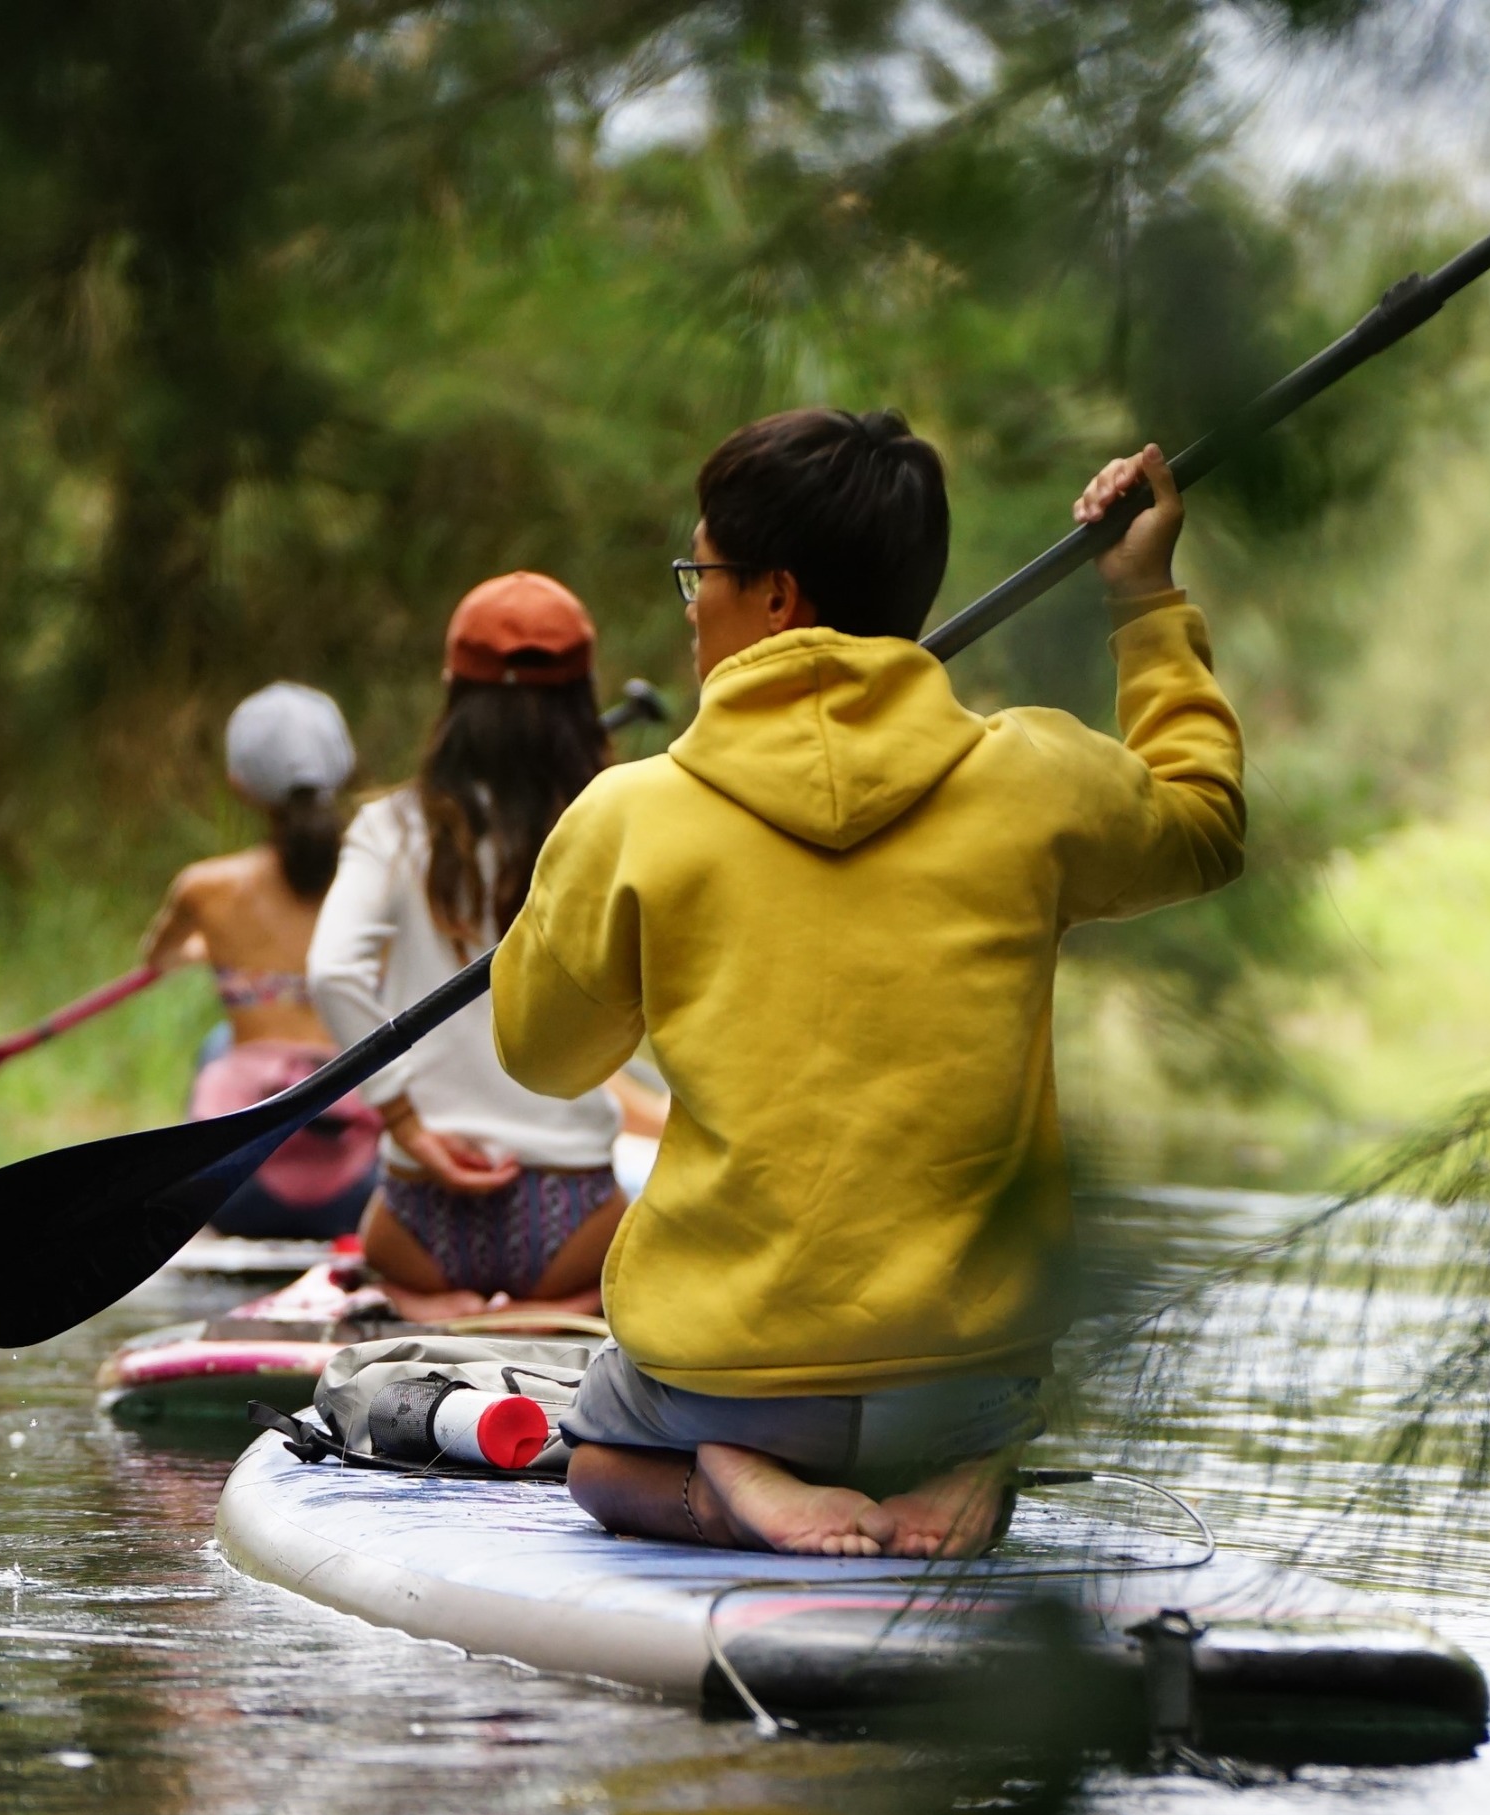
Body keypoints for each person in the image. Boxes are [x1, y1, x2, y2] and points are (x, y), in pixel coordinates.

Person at [490, 409, 1245, 1558]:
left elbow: (543, 1057)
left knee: (599, 1460)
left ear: (777, 595)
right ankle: (965, 1468)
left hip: (719, 1378)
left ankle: (731, 1488)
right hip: (968, 1379)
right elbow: (1205, 824)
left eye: (705, 572)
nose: (692, 602)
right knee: (971, 1395)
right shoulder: (1035, 779)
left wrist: (580, 909)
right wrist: (1144, 600)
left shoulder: (630, 814)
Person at [308, 572, 631, 1320]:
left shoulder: (392, 827)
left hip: (422, 1215)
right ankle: (556, 1310)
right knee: (622, 1276)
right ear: (584, 700)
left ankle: (421, 1304)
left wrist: (403, 1122)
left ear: (452, 694)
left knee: (388, 1273)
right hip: (576, 1208)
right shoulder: (621, 823)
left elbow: (332, 970)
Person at [139, 681, 381, 1241]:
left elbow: (160, 958)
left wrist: (219, 952)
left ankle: (200, 1223)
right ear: (342, 772)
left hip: (238, 1195)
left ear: (239, 786)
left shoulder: (204, 889)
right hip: (358, 1192)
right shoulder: (381, 879)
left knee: (219, 1046)